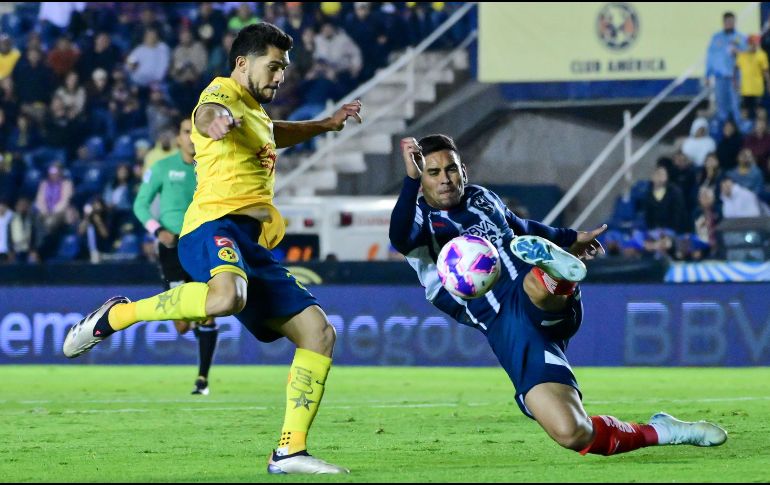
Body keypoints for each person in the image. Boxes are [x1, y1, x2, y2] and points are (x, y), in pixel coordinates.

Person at [63, 23, 362, 475]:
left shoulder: (257, 114)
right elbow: (207, 113)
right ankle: (117, 315)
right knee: (226, 297)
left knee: (319, 333)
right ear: (243, 63)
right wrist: (215, 121)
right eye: (273, 66)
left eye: (284, 68)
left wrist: (326, 123)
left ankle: (289, 451)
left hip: (252, 245)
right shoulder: (220, 93)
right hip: (210, 226)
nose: (280, 76)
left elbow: (272, 133)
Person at [389, 134, 728, 458]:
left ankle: (557, 274)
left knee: (532, 285)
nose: (445, 179)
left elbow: (522, 228)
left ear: (464, 171)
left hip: (527, 289)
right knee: (572, 432)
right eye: (433, 173)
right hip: (504, 325)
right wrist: (408, 180)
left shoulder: (482, 197)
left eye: (451, 169)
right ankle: (664, 431)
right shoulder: (419, 219)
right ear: (422, 178)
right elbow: (400, 236)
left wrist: (571, 237)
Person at [133, 116, 219, 396]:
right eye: (186, 132)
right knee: (181, 324)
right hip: (170, 247)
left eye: (196, 131)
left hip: (202, 246)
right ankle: (194, 321)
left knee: (209, 311)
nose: (192, 137)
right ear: (178, 138)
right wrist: (157, 231)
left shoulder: (212, 167)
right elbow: (140, 205)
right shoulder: (162, 168)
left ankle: (202, 380)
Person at [706, 11, 747, 124]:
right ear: (723, 22)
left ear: (735, 22)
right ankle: (723, 131)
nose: (730, 24)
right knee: (721, 105)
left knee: (735, 104)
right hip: (720, 78)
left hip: (735, 76)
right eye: (728, 22)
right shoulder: (716, 38)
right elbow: (710, 56)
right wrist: (707, 74)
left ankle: (737, 131)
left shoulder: (741, 37)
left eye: (732, 22)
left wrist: (738, 52)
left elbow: (748, 56)